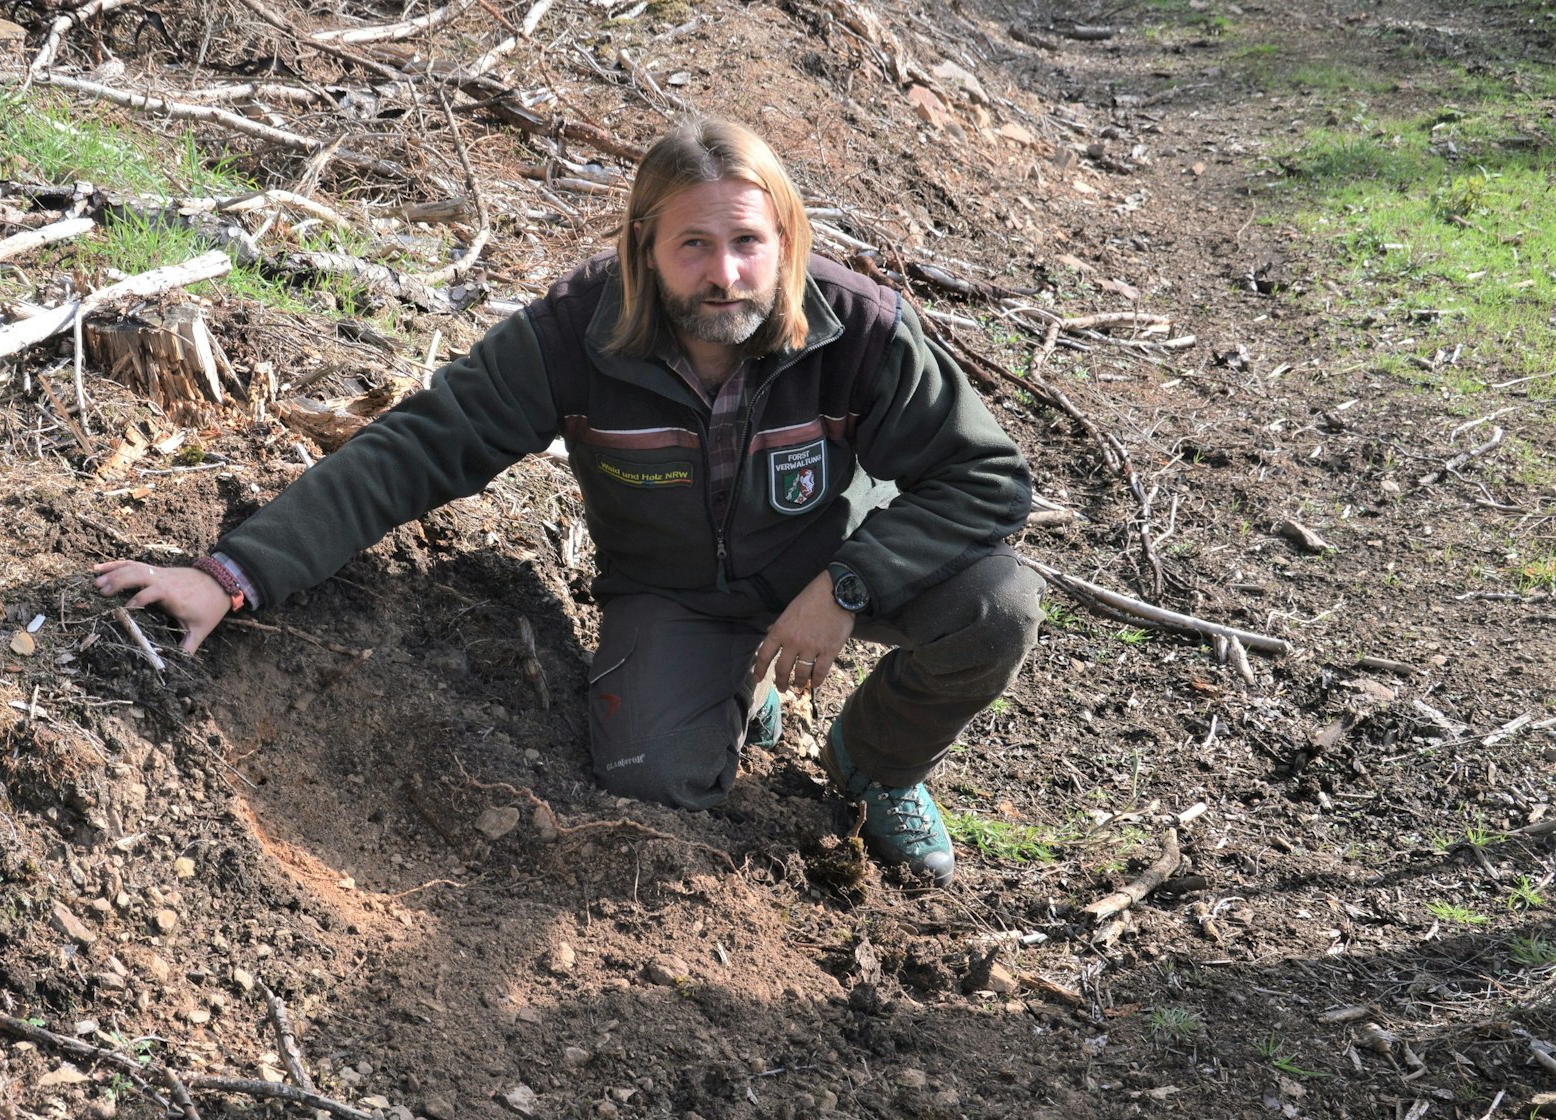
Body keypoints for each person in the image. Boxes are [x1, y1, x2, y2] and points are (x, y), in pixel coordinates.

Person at [93, 118, 1043, 886]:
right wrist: (234, 572)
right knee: (654, 780)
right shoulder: (574, 333)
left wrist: (847, 584)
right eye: (695, 246)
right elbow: (424, 445)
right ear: (645, 246)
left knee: (997, 605)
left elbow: (988, 477)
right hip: (669, 596)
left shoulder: (856, 328)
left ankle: (875, 763)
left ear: (784, 239)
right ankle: (736, 685)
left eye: (750, 244)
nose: (726, 274)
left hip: (814, 574)